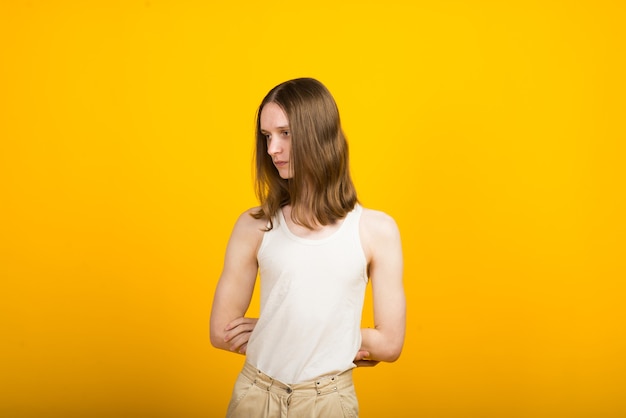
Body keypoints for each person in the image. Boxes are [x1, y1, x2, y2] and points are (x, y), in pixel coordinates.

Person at [210, 78, 405, 418]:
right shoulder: (254, 224)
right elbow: (220, 331)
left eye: (285, 133)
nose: (272, 149)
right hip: (257, 395)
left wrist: (287, 329)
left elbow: (389, 343)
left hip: (328, 401)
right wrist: (295, 330)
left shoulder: (377, 230)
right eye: (267, 136)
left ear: (318, 133)